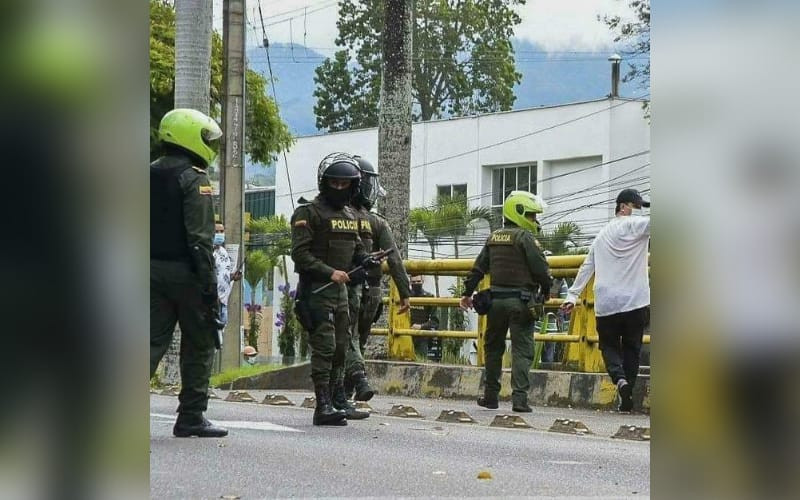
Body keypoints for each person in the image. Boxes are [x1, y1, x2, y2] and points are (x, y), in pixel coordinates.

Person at [150, 108, 227, 438]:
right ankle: (191, 416)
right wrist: (209, 286)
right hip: (186, 274)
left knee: (148, 341)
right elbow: (200, 239)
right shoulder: (194, 178)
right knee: (199, 343)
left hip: (148, 271)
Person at [290, 153, 383, 426]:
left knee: (342, 347)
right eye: (335, 183)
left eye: (346, 184)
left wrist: (365, 259)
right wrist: (329, 272)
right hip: (317, 291)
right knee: (325, 348)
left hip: (341, 292)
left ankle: (337, 398)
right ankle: (323, 404)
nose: (340, 188)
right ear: (325, 182)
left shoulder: (348, 215)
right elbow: (300, 255)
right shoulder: (308, 212)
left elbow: (355, 249)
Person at [460, 191, 551, 413]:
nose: (534, 221)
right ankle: (519, 400)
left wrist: (467, 292)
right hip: (520, 303)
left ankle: (491, 396)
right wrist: (546, 291)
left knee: (493, 348)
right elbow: (541, 270)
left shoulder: (493, 238)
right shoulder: (525, 238)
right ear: (518, 214)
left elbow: (478, 267)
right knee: (522, 350)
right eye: (531, 216)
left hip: (495, 303)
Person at [561, 188, 650, 413]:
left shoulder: (601, 235)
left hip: (607, 303)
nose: (637, 212)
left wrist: (572, 295)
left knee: (608, 346)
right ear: (623, 206)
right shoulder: (633, 225)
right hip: (634, 302)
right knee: (632, 348)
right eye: (635, 206)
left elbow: (587, 267)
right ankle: (626, 393)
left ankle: (620, 381)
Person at [344, 155, 411, 401]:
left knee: (347, 341)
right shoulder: (378, 222)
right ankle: (346, 393)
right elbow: (394, 260)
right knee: (358, 342)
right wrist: (405, 293)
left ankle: (356, 382)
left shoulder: (337, 217)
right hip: (373, 291)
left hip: (348, 288)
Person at [213, 222, 242, 332]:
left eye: (222, 231)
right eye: (216, 232)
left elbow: (223, 274)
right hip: (211, 301)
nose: (220, 234)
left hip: (223, 301)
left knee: (220, 336)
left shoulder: (223, 252)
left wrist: (233, 276)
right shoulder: (207, 252)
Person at [408, 275, 440, 358]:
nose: (416, 284)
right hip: (406, 334)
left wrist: (421, 326)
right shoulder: (405, 297)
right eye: (414, 282)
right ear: (410, 282)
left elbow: (435, 322)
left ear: (422, 281)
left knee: (420, 363)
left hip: (421, 337)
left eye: (418, 281)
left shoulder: (429, 297)